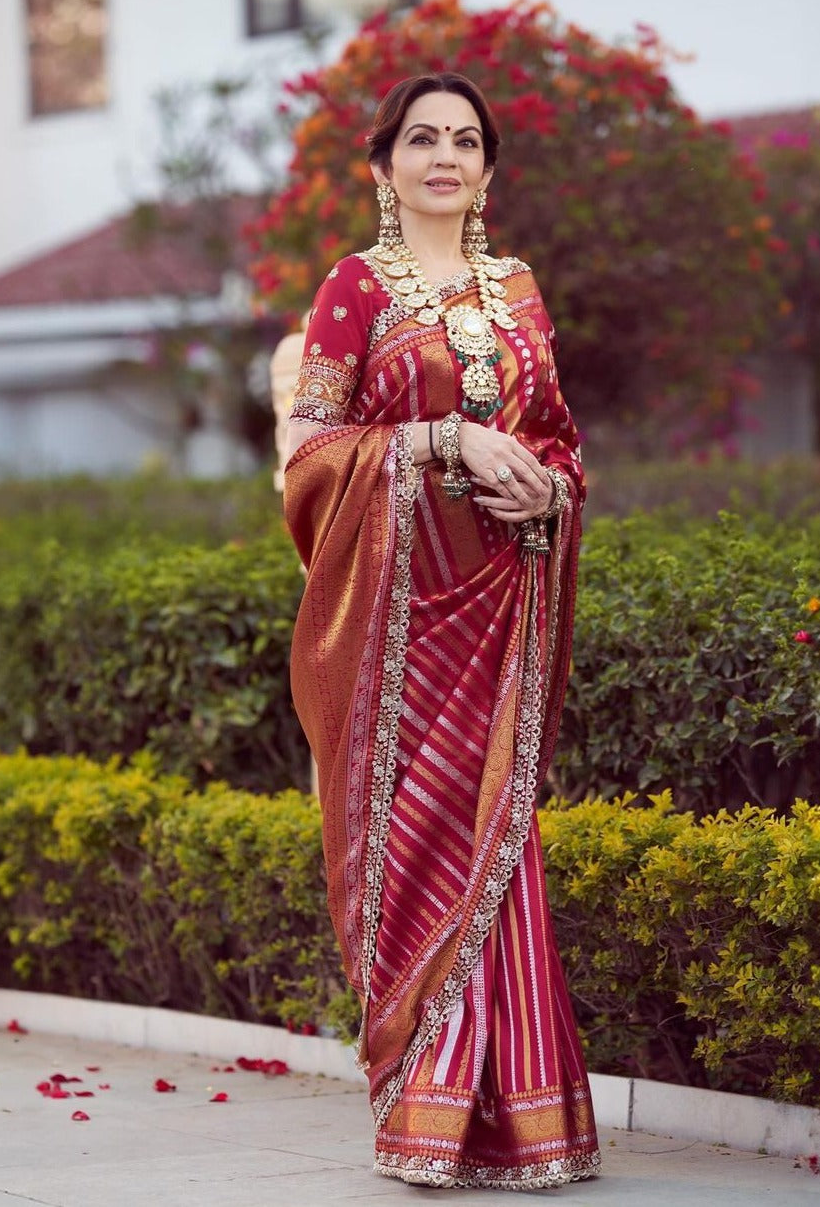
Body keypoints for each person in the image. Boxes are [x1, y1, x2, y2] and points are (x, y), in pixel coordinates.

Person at [283, 71, 600, 1191]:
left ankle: (521, 1122)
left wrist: (548, 493)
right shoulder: (354, 290)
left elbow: (559, 439)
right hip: (399, 634)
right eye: (422, 139)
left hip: (500, 610)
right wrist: (438, 445)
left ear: (488, 170)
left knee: (499, 857)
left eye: (466, 141)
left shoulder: (519, 291)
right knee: (420, 854)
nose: (444, 157)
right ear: (383, 166)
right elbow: (313, 458)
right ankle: (424, 1112)